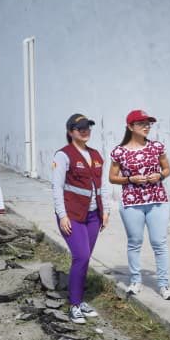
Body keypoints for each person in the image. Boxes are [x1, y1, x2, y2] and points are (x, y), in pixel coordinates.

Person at [108, 109, 170, 300]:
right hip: (131, 202)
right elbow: (112, 178)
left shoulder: (157, 147)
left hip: (157, 200)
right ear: (130, 127)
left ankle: (164, 285)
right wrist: (130, 179)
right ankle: (135, 281)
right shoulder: (119, 152)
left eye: (148, 123)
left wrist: (160, 175)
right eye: (142, 123)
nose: (146, 127)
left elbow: (167, 169)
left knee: (159, 243)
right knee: (134, 243)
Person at [52, 113, 110, 324]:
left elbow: (102, 185)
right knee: (81, 256)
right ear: (70, 132)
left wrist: (106, 211)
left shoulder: (95, 155)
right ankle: (74, 305)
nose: (85, 131)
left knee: (85, 258)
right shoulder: (63, 155)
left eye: (88, 127)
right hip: (73, 216)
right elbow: (57, 187)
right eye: (80, 128)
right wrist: (62, 215)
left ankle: (80, 300)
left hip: (94, 216)